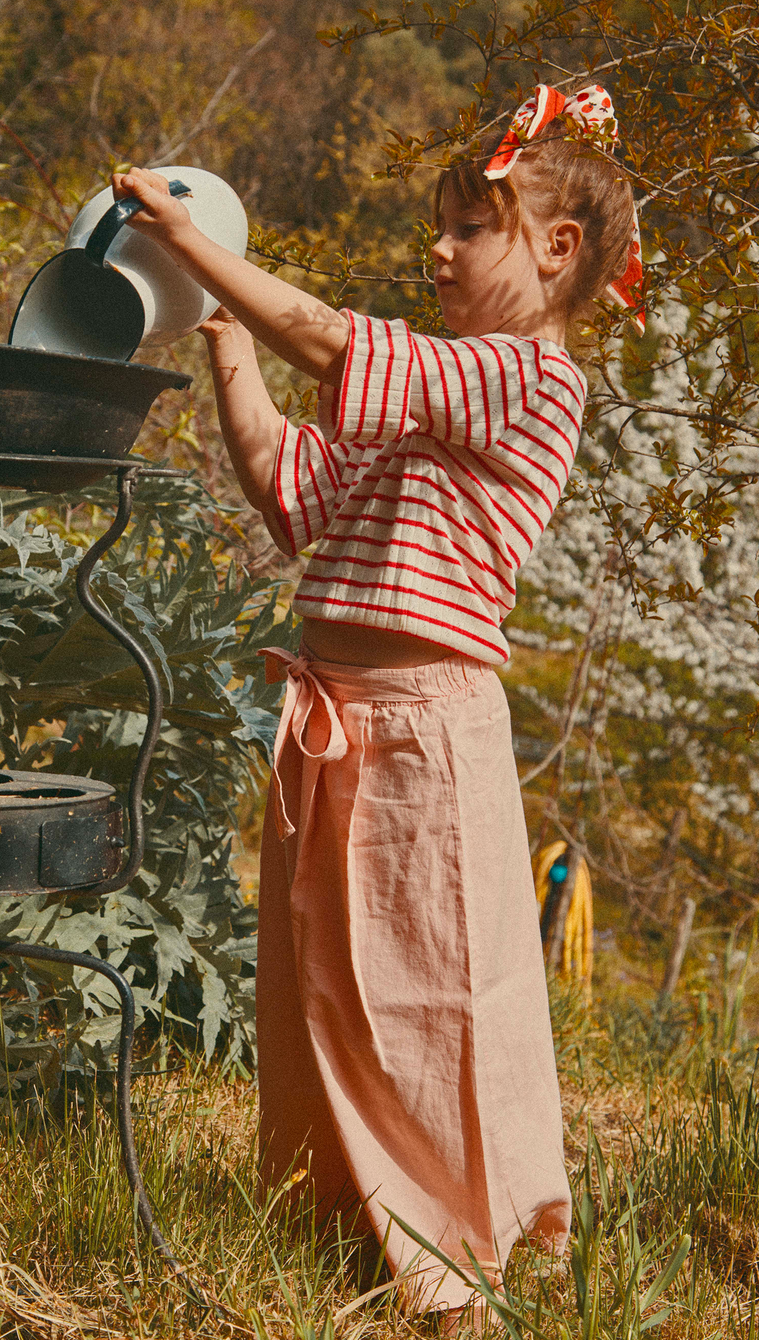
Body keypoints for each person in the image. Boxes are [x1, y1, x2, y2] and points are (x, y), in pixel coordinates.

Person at [112, 84, 641, 1333]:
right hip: (336, 710)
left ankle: (460, 1249)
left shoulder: (528, 378)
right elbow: (287, 481)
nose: (438, 251)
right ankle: (349, 1219)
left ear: (554, 252)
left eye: (469, 230)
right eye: (440, 228)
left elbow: (338, 345)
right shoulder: (431, 398)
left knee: (431, 982)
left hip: (420, 721)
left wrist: (197, 244)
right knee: (327, 988)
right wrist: (220, 331)